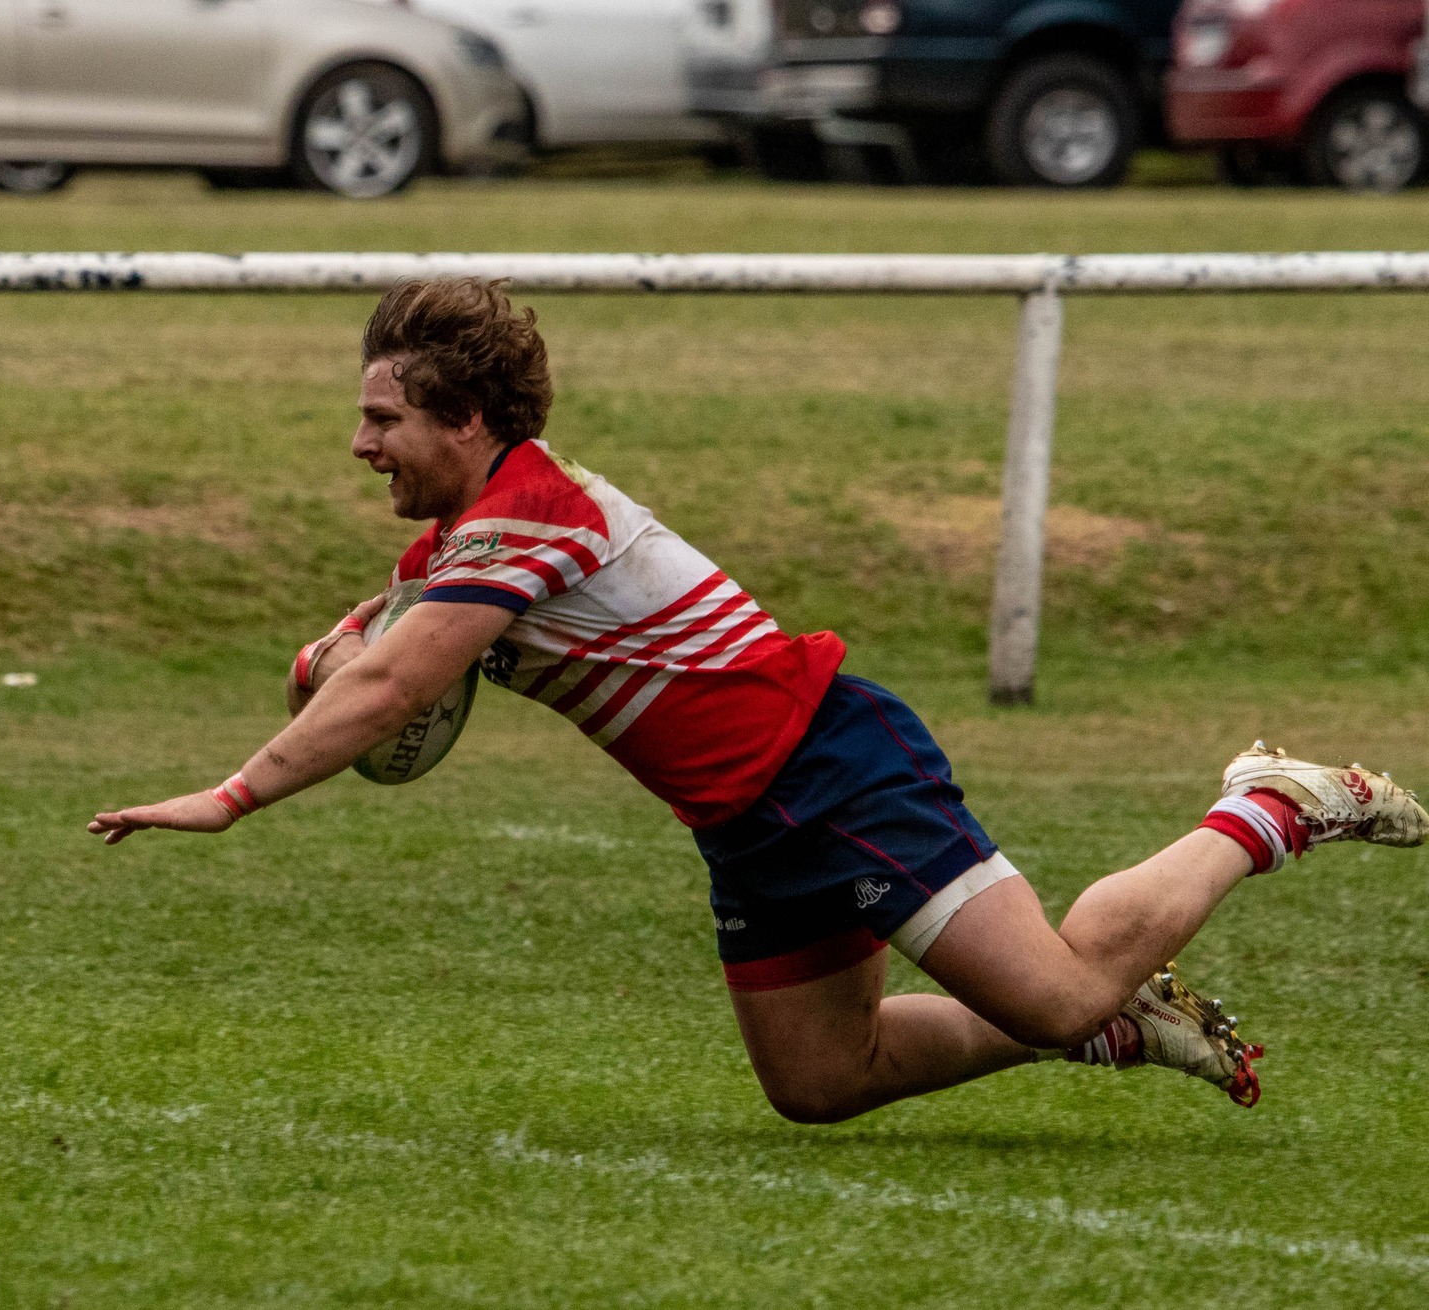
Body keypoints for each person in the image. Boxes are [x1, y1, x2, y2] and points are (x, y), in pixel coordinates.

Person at [88, 278, 1426, 1121]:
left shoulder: (529, 517)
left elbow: (391, 682)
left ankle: (1269, 806)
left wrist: (232, 793)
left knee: (1057, 998)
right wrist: (326, 665)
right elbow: (372, 650)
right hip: (751, 818)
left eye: (384, 417)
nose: (362, 442)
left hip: (830, 769)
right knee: (820, 1082)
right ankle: (1125, 1022)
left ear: (465, 420)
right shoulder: (459, 548)